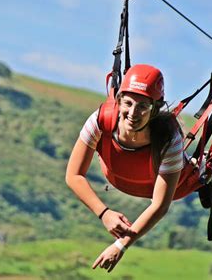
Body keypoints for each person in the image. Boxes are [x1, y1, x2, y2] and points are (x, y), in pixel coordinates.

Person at [66, 64, 199, 272]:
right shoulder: (101, 120)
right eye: (127, 103)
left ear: (154, 109)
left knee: (196, 175)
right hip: (117, 174)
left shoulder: (169, 139)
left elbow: (160, 205)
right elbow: (73, 175)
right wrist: (105, 214)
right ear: (118, 100)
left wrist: (121, 244)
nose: (133, 113)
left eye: (143, 107)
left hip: (169, 187)